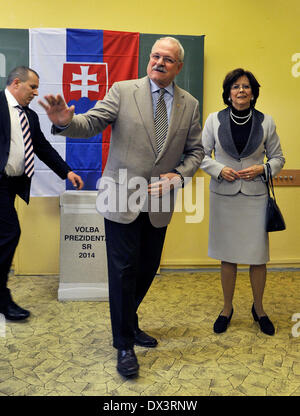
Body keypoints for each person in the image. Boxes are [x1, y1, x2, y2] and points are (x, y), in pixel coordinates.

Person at [39, 37, 204, 377]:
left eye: (168, 58)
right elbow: (91, 122)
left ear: (179, 67)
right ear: (149, 60)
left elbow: (197, 152)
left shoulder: (190, 104)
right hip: (120, 198)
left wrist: (178, 175)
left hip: (159, 201)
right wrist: (65, 122)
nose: (159, 61)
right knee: (123, 270)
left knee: (147, 268)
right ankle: (124, 344)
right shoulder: (122, 90)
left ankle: (130, 320)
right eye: (155, 56)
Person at [200, 68, 285, 336]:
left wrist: (263, 169)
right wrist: (218, 169)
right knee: (228, 257)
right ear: (228, 93)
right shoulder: (214, 120)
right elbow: (199, 155)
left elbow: (278, 158)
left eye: (246, 86)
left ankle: (259, 309)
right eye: (235, 87)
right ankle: (227, 309)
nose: (240, 91)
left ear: (253, 92)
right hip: (224, 195)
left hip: (255, 197)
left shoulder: (266, 122)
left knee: (258, 257)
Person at [0, 66, 84, 322]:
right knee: (9, 233)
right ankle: (2, 297)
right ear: (16, 83)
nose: (36, 93)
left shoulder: (30, 117)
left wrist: (66, 172)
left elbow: (43, 148)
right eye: (32, 87)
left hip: (12, 186)